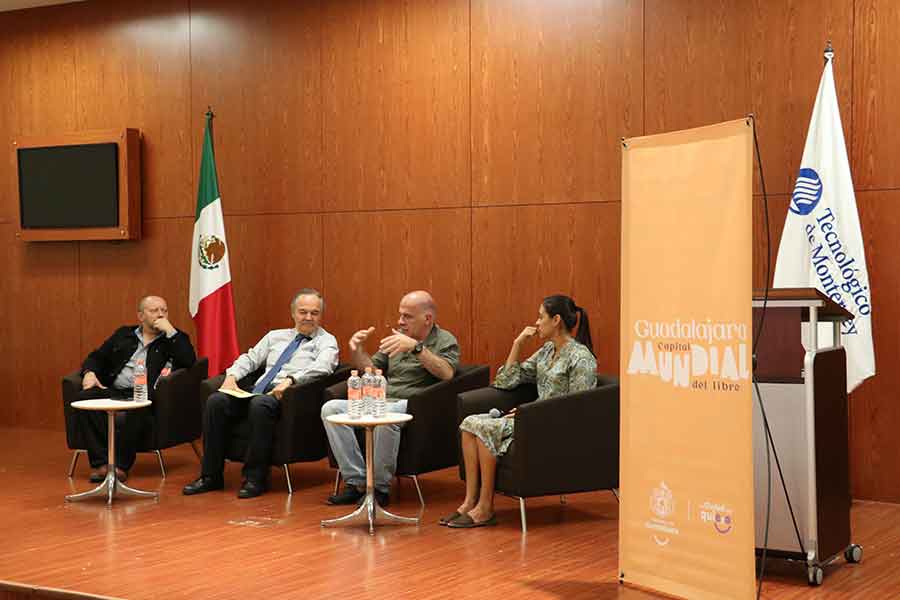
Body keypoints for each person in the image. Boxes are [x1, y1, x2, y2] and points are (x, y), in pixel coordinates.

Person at [446, 295, 597, 528]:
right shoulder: (547, 350)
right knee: (469, 423)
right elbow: (506, 380)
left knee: (484, 427)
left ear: (556, 320)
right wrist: (517, 344)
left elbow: (579, 406)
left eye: (540, 317)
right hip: (532, 417)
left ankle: (485, 507)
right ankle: (470, 502)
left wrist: (528, 412)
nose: (536, 323)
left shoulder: (581, 357)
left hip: (551, 423)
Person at [182, 289, 339, 499]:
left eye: (314, 313)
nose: (308, 317)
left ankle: (255, 478)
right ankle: (210, 476)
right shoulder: (275, 336)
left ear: (321, 315)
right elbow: (250, 358)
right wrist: (231, 376)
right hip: (256, 391)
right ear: (293, 313)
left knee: (260, 405)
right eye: (303, 312)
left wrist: (291, 380)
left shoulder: (326, 341)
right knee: (216, 401)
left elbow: (323, 368)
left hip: (288, 396)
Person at [322, 290, 459, 507]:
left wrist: (416, 348)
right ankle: (357, 482)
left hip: (416, 404)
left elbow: (447, 373)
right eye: (400, 315)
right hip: (383, 399)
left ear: (428, 319)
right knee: (330, 409)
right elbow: (372, 370)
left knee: (389, 415)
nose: (400, 321)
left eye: (407, 316)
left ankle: (379, 488)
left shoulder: (444, 340)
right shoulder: (396, 339)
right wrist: (358, 351)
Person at [77, 295, 197, 483]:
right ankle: (102, 463)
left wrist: (171, 332)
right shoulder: (124, 334)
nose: (160, 315)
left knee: (138, 410)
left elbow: (189, 361)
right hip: (114, 390)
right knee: (84, 398)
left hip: (145, 394)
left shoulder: (173, 338)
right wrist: (89, 372)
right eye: (154, 310)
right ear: (141, 316)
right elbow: (98, 356)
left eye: (164, 310)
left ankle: (120, 466)